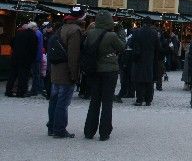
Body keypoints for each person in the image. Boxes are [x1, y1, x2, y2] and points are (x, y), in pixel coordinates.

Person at [83, 10, 126, 141]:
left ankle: (89, 131)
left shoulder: (89, 34)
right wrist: (121, 33)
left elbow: (85, 48)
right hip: (109, 71)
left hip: (94, 70)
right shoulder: (111, 35)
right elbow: (122, 47)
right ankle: (104, 132)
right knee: (107, 102)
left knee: (94, 101)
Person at [47, 8, 84, 138]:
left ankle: (51, 127)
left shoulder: (62, 27)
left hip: (56, 69)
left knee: (54, 100)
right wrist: (74, 75)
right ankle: (59, 129)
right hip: (66, 71)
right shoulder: (76, 30)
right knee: (63, 102)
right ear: (81, 16)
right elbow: (73, 56)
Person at [130, 17, 159, 106]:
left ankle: (139, 99)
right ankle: (148, 100)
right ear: (150, 24)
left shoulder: (136, 32)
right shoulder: (154, 33)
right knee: (149, 81)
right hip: (150, 59)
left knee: (139, 80)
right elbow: (158, 47)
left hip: (138, 59)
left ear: (143, 23)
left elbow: (131, 44)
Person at [5, 23, 37, 98]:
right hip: (25, 59)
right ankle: (21, 92)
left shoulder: (19, 33)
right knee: (23, 76)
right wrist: (32, 58)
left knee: (12, 75)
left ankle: (8, 91)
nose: (36, 29)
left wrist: (15, 50)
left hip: (15, 57)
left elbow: (11, 42)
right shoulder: (33, 36)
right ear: (33, 28)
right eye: (36, 28)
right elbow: (33, 49)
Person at [27, 22, 44, 97]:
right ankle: (39, 88)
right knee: (37, 73)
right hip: (38, 56)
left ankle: (35, 90)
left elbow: (35, 47)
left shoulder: (36, 34)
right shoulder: (39, 33)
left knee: (35, 74)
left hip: (36, 57)